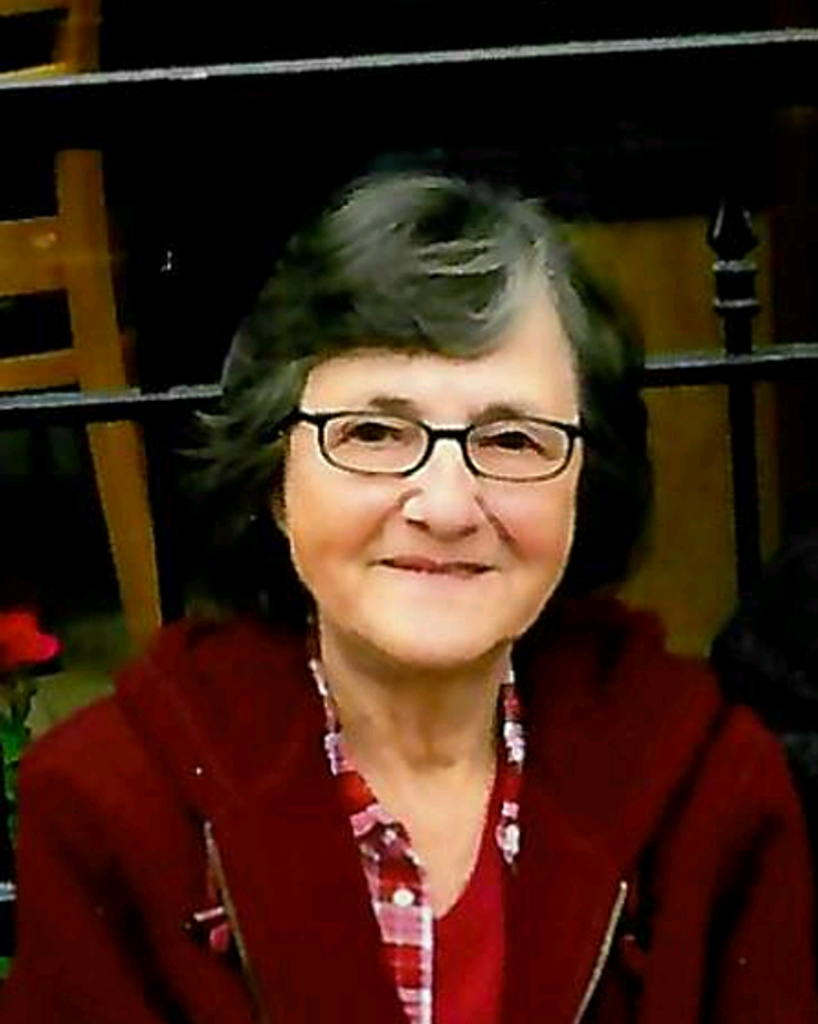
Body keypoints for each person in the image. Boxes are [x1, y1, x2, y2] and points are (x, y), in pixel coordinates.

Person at [1, 172, 816, 1023]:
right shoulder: (110, 809)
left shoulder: (714, 799)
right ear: (275, 478)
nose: (447, 506)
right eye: (374, 433)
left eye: (511, 439)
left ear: (586, 484)